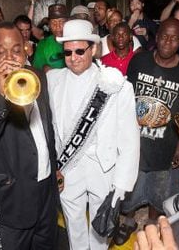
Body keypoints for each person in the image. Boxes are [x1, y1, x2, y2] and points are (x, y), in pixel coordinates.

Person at [0, 22, 59, 250]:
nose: (9, 57)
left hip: (46, 189)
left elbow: (46, 127)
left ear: (26, 48)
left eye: (16, 50)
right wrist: (0, 96)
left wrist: (54, 166)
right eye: (1, 51)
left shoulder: (38, 77)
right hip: (12, 198)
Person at [47, 19, 140, 249]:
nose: (73, 57)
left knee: (100, 228)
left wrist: (122, 184)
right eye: (68, 52)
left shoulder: (116, 84)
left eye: (80, 50)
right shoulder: (52, 81)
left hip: (103, 167)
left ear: (94, 49)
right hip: (68, 169)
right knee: (73, 225)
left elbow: (130, 139)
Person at [122, 18, 179, 222]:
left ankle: (152, 223)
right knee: (130, 185)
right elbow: (124, 99)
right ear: (157, 36)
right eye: (164, 36)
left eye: (174, 39)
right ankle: (128, 221)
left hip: (165, 143)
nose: (167, 42)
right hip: (135, 140)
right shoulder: (139, 61)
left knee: (159, 188)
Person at [33, 4, 68, 72]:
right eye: (53, 23)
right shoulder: (43, 44)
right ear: (49, 25)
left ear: (68, 22)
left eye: (61, 22)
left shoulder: (75, 41)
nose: (57, 26)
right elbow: (38, 69)